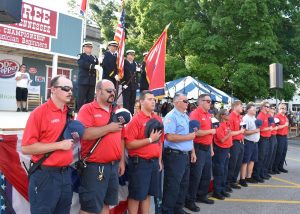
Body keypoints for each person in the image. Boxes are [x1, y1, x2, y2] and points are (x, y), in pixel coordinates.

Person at [21, 75, 74, 214]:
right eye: (66, 88)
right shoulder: (39, 113)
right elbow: (26, 148)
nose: (70, 92)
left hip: (66, 174)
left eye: (71, 89)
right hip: (45, 175)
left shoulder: (68, 113)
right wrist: (59, 146)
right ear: (54, 89)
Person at [76, 79, 125, 214]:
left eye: (114, 91)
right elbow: (84, 134)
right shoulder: (87, 109)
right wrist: (109, 128)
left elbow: (121, 137)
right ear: (98, 92)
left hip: (113, 166)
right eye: (109, 91)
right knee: (89, 208)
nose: (113, 94)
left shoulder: (116, 111)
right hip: (94, 166)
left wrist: (121, 161)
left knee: (106, 204)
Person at [125, 90, 163, 214]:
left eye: (154, 99)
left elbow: (160, 142)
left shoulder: (157, 119)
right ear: (141, 101)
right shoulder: (136, 120)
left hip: (153, 162)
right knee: (136, 195)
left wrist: (159, 160)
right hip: (139, 163)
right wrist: (150, 139)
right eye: (150, 99)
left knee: (148, 194)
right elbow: (129, 144)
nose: (153, 101)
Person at [162, 93, 196, 214]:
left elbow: (190, 137)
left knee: (183, 184)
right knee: (173, 185)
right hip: (174, 155)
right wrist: (188, 137)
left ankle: (178, 208)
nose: (188, 103)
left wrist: (192, 151)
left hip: (185, 154)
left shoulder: (186, 116)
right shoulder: (171, 116)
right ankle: (167, 210)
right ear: (176, 102)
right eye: (185, 101)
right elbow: (169, 137)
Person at [185, 94, 216, 213]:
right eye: (207, 101)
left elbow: (210, 135)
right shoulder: (195, 114)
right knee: (195, 176)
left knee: (206, 174)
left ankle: (202, 195)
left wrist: (211, 148)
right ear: (200, 102)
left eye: (210, 101)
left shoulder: (208, 115)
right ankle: (190, 200)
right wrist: (210, 131)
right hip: (198, 147)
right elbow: (195, 133)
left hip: (207, 147)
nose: (210, 103)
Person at [212, 109, 232, 200]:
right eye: (227, 114)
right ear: (222, 116)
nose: (229, 115)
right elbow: (222, 139)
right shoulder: (219, 126)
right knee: (219, 171)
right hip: (220, 150)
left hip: (226, 149)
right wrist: (229, 134)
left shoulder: (227, 124)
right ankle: (217, 191)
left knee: (225, 170)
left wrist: (228, 151)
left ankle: (222, 189)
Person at [240, 103, 260, 186]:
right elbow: (244, 132)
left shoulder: (254, 118)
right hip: (248, 142)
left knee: (252, 161)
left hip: (255, 142)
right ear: (248, 110)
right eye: (253, 109)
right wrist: (255, 131)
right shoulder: (245, 118)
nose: (255, 110)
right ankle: (242, 179)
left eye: (255, 109)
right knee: (245, 161)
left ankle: (249, 177)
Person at [77, 42, 101, 111]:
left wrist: (101, 62)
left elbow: (99, 65)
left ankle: (89, 112)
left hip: (92, 81)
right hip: (83, 81)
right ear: (84, 48)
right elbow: (82, 64)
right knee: (81, 99)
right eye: (88, 47)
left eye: (91, 47)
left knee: (90, 99)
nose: (89, 48)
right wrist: (93, 66)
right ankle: (80, 112)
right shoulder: (81, 56)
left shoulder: (94, 57)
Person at [227, 100, 245, 190]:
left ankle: (233, 181)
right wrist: (240, 132)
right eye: (241, 106)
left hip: (240, 142)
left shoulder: (239, 117)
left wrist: (242, 133)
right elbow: (230, 133)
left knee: (238, 163)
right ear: (235, 106)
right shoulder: (231, 117)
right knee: (232, 164)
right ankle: (228, 183)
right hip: (234, 143)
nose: (242, 107)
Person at [252, 101, 272, 182]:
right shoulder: (260, 116)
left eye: (269, 106)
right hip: (262, 139)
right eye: (267, 106)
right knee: (261, 157)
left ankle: (262, 173)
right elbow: (258, 129)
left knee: (265, 157)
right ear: (262, 107)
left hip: (267, 138)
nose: (268, 108)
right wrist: (268, 128)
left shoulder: (267, 115)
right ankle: (256, 175)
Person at [273, 103, 289, 174]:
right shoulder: (277, 117)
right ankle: (275, 167)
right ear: (279, 109)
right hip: (279, 136)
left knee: (283, 152)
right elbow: (276, 127)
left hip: (285, 136)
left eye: (285, 108)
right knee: (278, 152)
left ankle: (280, 166)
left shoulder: (285, 117)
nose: (283, 110)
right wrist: (284, 125)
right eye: (282, 108)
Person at [122, 50, 139, 115]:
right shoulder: (124, 63)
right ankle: (126, 115)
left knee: (132, 101)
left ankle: (131, 115)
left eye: (133, 55)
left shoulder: (135, 64)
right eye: (131, 55)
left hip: (133, 86)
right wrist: (123, 83)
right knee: (126, 102)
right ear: (127, 55)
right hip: (126, 85)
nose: (132, 56)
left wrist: (136, 84)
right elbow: (121, 74)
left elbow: (136, 76)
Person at [268, 106, 278, 174]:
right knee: (270, 153)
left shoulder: (274, 117)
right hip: (270, 136)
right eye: (272, 108)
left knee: (273, 153)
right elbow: (270, 128)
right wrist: (275, 128)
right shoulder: (269, 117)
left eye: (274, 108)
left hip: (274, 136)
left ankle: (270, 168)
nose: (274, 110)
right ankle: (268, 169)